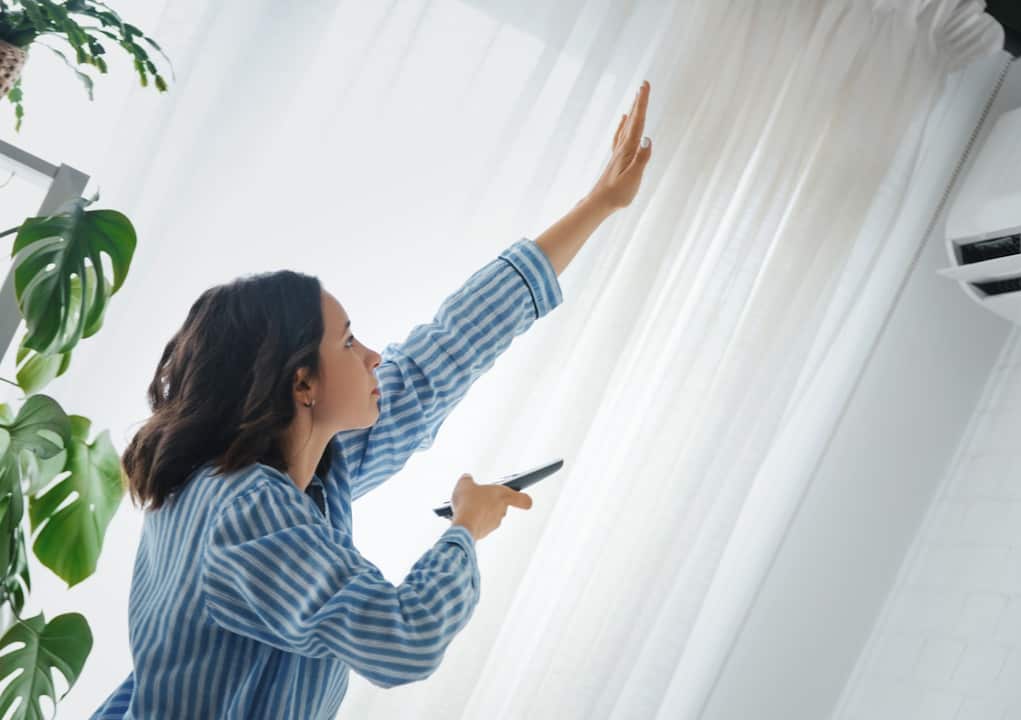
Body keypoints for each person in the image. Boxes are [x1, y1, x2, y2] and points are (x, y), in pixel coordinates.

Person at [90, 81, 652, 719]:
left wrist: (600, 202)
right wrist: (466, 530)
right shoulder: (247, 510)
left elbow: (446, 351)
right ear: (302, 383)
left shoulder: (305, 467)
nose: (374, 357)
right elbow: (401, 640)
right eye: (350, 341)